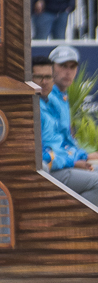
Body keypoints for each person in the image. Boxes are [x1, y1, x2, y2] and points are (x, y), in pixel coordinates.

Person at [37, 50, 98, 207]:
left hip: (62, 162)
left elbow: (64, 141)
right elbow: (45, 152)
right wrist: (75, 161)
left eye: (72, 67)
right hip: (52, 168)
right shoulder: (41, 102)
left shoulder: (57, 99)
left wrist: (83, 156)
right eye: (63, 66)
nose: (68, 71)